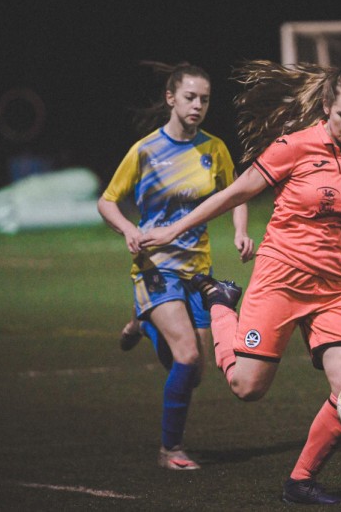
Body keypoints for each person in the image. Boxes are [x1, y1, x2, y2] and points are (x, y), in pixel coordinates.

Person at [140, 60, 341, 503]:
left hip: (334, 292)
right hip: (278, 281)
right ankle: (222, 305)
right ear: (325, 107)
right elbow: (235, 193)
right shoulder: (292, 148)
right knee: (247, 387)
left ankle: (301, 481)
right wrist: (170, 231)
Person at [97, 62, 254, 470]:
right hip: (154, 266)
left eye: (204, 99)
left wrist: (240, 231)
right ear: (171, 98)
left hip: (196, 272)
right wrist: (128, 228)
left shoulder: (213, 149)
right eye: (190, 97)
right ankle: (171, 449)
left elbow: (237, 193)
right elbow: (107, 201)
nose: (198, 105)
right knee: (185, 357)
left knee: (197, 372)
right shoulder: (146, 150)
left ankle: (141, 321)